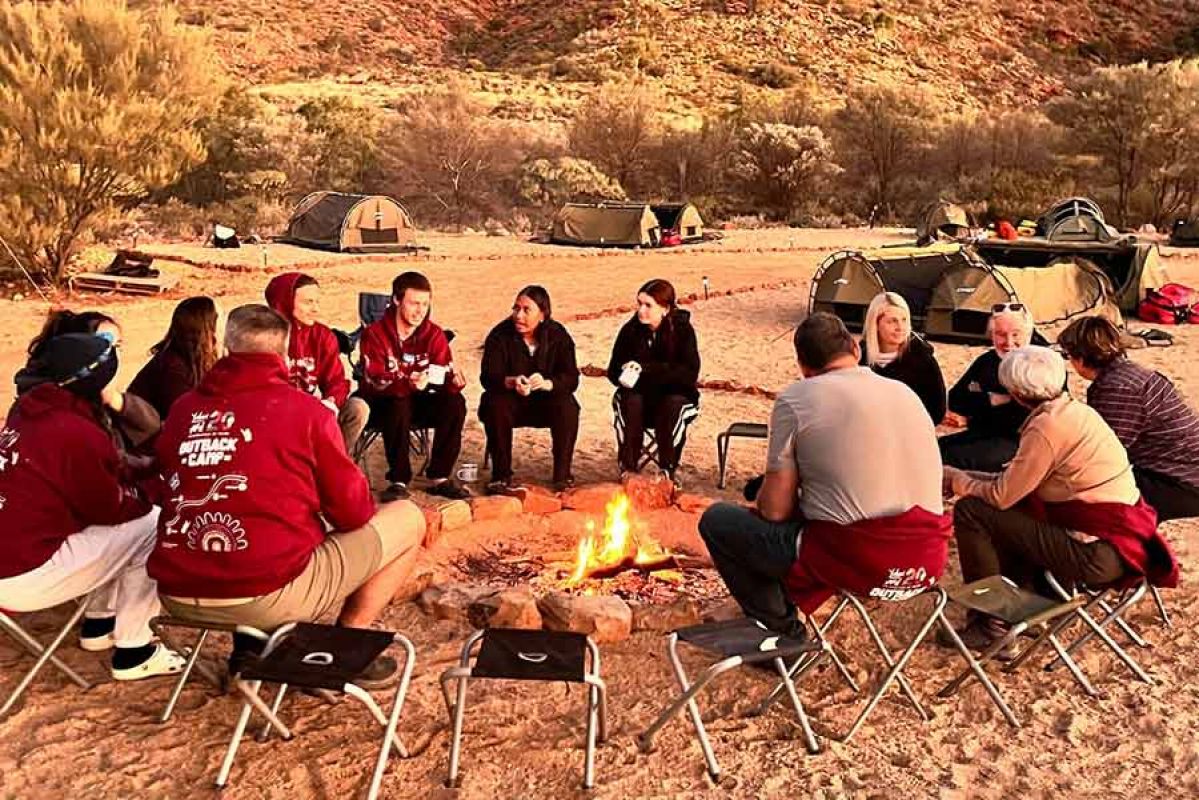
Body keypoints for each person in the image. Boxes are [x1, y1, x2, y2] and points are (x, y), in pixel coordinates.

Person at [149, 305, 426, 685]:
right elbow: (352, 513)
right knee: (409, 518)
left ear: (226, 347)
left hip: (176, 593)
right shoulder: (306, 413)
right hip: (261, 594)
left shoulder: (184, 410)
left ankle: (249, 646)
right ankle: (340, 648)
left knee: (257, 531)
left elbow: (163, 482)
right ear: (283, 353)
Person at [699, 313, 949, 639]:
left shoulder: (796, 399)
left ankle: (783, 634)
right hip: (927, 563)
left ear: (803, 367)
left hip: (865, 563)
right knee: (820, 511)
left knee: (719, 521)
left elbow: (774, 511)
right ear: (855, 351)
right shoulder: (905, 393)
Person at [943, 346, 1178, 649]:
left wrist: (959, 482)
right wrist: (966, 479)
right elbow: (1018, 486)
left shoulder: (1046, 428)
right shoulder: (1076, 412)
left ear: (1015, 392)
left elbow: (1002, 496)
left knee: (972, 511)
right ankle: (1021, 602)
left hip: (1097, 556)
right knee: (1009, 509)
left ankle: (991, 623)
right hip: (1124, 543)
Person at [0, 333, 184, 680]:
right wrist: (154, 488)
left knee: (106, 528)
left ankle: (100, 623)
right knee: (154, 524)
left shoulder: (28, 412)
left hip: (12, 556)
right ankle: (135, 649)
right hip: (21, 576)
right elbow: (110, 507)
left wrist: (138, 471)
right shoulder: (70, 429)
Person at [1058, 316, 1199, 521]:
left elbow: (1105, 451)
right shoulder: (1129, 374)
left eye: (1068, 355)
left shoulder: (1117, 388)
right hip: (1180, 469)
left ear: (1080, 358)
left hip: (1181, 480)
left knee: (1089, 497)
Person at [356, 271, 470, 502]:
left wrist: (454, 383)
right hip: (382, 402)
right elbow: (375, 380)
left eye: (425, 304)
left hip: (419, 398)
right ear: (397, 300)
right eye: (414, 303)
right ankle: (398, 479)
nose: (420, 311)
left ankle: (439, 476)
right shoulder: (375, 334)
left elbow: (441, 377)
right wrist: (407, 381)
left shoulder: (434, 334)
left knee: (455, 403)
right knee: (398, 402)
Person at [479, 286, 580, 494]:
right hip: (510, 402)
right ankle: (501, 475)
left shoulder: (558, 335)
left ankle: (562, 476)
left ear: (542, 314)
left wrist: (547, 384)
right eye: (516, 309)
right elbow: (488, 378)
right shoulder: (499, 335)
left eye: (527, 310)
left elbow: (571, 378)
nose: (519, 315)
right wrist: (512, 381)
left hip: (546, 401)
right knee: (494, 404)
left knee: (568, 406)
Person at [18, 309, 160, 449]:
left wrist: (116, 400)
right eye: (104, 350)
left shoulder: (100, 404)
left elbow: (152, 429)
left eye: (117, 347)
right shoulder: (61, 414)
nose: (114, 358)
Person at [606, 279, 700, 483]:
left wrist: (646, 370)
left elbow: (688, 374)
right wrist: (624, 371)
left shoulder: (683, 331)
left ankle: (667, 469)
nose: (641, 310)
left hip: (675, 396)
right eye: (639, 304)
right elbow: (612, 372)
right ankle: (628, 468)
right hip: (639, 397)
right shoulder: (630, 331)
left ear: (665, 309)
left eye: (648, 305)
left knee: (672, 406)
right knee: (629, 401)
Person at [265, 272, 367, 452]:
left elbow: (336, 381)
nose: (316, 309)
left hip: (312, 412)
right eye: (308, 302)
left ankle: (335, 466)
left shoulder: (322, 336)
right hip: (275, 415)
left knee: (358, 408)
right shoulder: (264, 338)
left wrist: (331, 402)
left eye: (317, 302)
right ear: (285, 302)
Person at [940, 303, 1039, 472]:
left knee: (952, 457)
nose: (1008, 342)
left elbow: (1026, 415)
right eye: (1000, 334)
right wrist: (993, 399)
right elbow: (956, 399)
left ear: (1028, 334)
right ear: (992, 335)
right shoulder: (986, 361)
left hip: (1022, 443)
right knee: (934, 447)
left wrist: (974, 413)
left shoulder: (1041, 364)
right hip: (983, 434)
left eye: (1016, 334)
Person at [858, 292, 946, 424]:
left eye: (904, 320)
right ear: (875, 324)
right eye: (892, 321)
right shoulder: (859, 358)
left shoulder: (923, 360)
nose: (900, 327)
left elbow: (936, 411)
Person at [129, 297, 221, 420]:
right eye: (220, 319)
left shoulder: (195, 359)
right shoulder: (172, 368)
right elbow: (185, 416)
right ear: (208, 328)